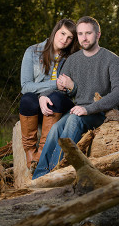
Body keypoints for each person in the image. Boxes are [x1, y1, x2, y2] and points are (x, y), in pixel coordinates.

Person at [31, 16, 119, 180]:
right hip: (79, 111)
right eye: (80, 34)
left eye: (88, 33)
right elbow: (61, 89)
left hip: (102, 113)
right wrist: (43, 96)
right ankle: (39, 178)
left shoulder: (112, 59)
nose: (84, 37)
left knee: (74, 120)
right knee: (55, 129)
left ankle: (55, 175)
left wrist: (88, 108)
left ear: (98, 35)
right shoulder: (73, 61)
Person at [18, 18, 79, 169]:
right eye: (62, 33)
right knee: (27, 99)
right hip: (38, 104)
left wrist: (50, 93)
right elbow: (25, 86)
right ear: (55, 31)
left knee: (56, 97)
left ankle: (43, 151)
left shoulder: (72, 57)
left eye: (69, 37)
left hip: (60, 104)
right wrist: (48, 89)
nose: (64, 40)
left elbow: (73, 90)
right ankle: (30, 153)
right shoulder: (33, 51)